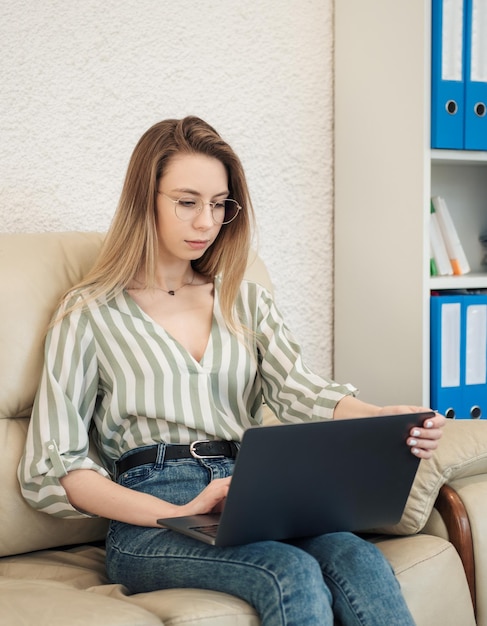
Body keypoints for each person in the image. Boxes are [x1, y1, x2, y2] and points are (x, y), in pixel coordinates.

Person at [18, 116, 445, 626]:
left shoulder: (244, 298)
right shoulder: (87, 313)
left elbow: (298, 388)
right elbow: (61, 468)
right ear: (144, 199)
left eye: (220, 204)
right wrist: (178, 512)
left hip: (253, 493)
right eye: (187, 201)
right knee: (288, 570)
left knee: (358, 556)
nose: (206, 221)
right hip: (153, 510)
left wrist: (384, 417)